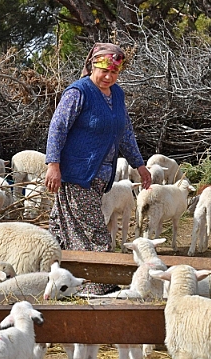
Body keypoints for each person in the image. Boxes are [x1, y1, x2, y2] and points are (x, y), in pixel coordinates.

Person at [44, 42, 152, 294]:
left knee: (64, 228)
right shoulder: (78, 92)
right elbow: (57, 127)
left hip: (99, 178)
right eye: (104, 70)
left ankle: (61, 283)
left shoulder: (117, 95)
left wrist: (139, 164)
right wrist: (53, 164)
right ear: (92, 66)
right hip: (77, 174)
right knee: (93, 232)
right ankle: (97, 286)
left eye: (114, 72)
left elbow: (125, 132)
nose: (108, 77)